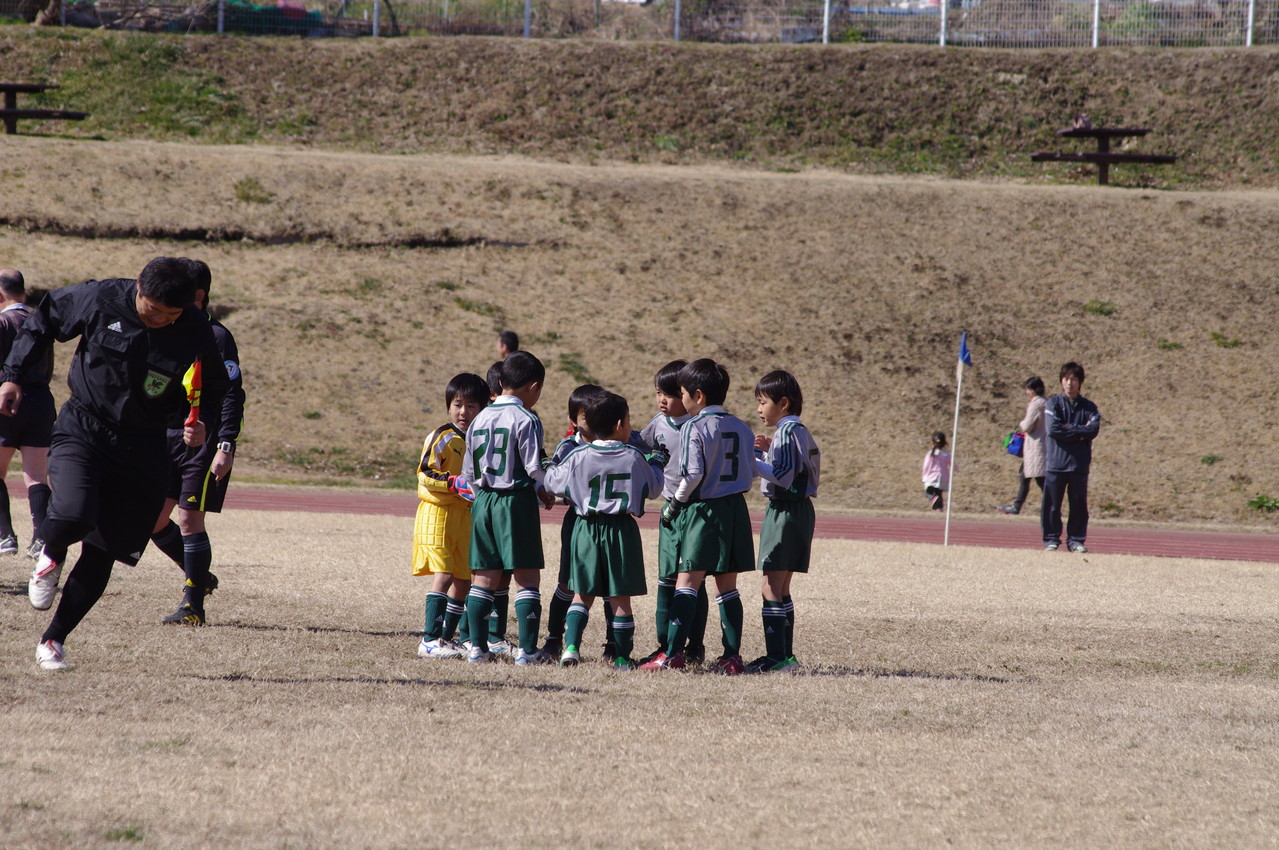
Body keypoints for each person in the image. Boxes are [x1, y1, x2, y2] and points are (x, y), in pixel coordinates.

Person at [2, 257, 228, 671]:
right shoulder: (101, 297)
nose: (160, 320)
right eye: (153, 310)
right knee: (73, 513)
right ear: (139, 288)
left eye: (171, 315)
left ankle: (52, 639)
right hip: (84, 428)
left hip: (144, 445)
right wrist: (13, 374)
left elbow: (214, 387)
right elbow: (45, 320)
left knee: (106, 548)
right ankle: (50, 552)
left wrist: (202, 424)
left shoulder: (194, 327)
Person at [640, 359, 757, 674]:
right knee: (726, 587)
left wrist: (676, 503)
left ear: (699, 395)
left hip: (702, 508)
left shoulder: (693, 425)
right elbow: (752, 469)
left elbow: (692, 474)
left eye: (682, 393)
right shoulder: (742, 426)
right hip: (735, 508)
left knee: (687, 582)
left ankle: (673, 653)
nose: (681, 398)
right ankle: (731, 656)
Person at [148, 259, 246, 626]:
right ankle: (200, 577)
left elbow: (233, 393)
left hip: (202, 442)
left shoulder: (217, 337)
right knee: (153, 520)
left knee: (189, 520)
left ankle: (193, 606)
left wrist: (226, 444)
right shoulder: (166, 332)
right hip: (165, 438)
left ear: (198, 296)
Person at [543, 391, 664, 670]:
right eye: (630, 419)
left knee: (581, 592)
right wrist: (657, 462)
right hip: (621, 529)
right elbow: (655, 488)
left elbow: (552, 483)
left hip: (585, 527)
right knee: (620, 597)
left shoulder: (579, 454)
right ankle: (621, 657)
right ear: (620, 424)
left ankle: (571, 647)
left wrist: (549, 465)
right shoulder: (634, 456)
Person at [462, 350, 555, 665]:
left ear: (501, 381)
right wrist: (546, 489)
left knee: (484, 579)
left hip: (484, 500)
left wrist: (481, 497)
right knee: (527, 578)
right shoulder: (527, 418)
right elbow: (534, 468)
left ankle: (476, 649)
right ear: (533, 387)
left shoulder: (480, 418)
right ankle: (527, 652)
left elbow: (469, 475)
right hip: (514, 499)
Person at [636, 359, 710, 666]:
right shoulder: (658, 423)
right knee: (667, 580)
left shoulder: (700, 427)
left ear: (689, 394)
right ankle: (665, 644)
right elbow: (638, 445)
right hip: (669, 511)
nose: (663, 400)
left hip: (695, 510)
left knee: (695, 581)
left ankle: (695, 644)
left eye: (670, 394)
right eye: (658, 393)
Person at [747, 370, 820, 674]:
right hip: (799, 511)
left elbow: (783, 476)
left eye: (763, 402)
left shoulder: (788, 433)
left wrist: (751, 460)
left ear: (784, 403)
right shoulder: (799, 431)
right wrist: (768, 453)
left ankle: (776, 658)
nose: (759, 409)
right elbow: (790, 467)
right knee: (782, 587)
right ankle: (786, 657)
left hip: (785, 511)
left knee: (768, 585)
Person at [413, 373, 488, 659]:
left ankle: (445, 638)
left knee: (462, 578)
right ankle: (429, 639)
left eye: (471, 406)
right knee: (443, 574)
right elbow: (425, 471)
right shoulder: (443, 436)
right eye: (458, 404)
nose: (463, 412)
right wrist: (452, 482)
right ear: (448, 406)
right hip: (439, 513)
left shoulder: (478, 439)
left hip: (463, 514)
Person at [540, 383, 604, 659]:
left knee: (610, 586)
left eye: (596, 414)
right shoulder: (568, 447)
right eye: (584, 416)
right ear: (573, 420)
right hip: (578, 521)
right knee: (567, 581)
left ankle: (613, 645)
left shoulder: (616, 443)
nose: (591, 421)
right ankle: (554, 638)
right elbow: (553, 481)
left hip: (609, 522)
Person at [0, 269, 53, 559]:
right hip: (41, 399)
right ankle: (41, 538)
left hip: (8, 399)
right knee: (36, 474)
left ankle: (5, 535)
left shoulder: (3, 322)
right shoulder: (40, 320)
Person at [1041, 361, 1101, 553]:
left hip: (1078, 464)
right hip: (1056, 463)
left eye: (1074, 379)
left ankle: (1076, 540)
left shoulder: (1089, 407)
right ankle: (1051, 538)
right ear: (1061, 381)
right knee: (1051, 505)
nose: (1070, 383)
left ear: (1080, 382)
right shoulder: (1053, 404)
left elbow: (1093, 429)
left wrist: (1070, 430)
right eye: (1066, 379)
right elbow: (1053, 429)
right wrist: (1079, 431)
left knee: (1078, 505)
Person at [998, 377, 1047, 516]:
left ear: (1034, 390)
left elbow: (1026, 425)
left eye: (1028, 389)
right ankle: (1017, 506)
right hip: (1044, 446)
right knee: (1026, 477)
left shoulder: (1035, 404)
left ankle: (1049, 505)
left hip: (1034, 448)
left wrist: (1021, 423)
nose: (1027, 392)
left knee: (1039, 480)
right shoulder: (1047, 403)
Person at [921, 431, 951, 511]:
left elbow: (926, 465)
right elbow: (953, 464)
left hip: (932, 477)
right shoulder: (946, 454)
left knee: (928, 492)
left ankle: (933, 498)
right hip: (943, 478)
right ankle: (939, 509)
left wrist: (924, 476)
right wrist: (957, 468)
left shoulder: (930, 454)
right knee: (939, 494)